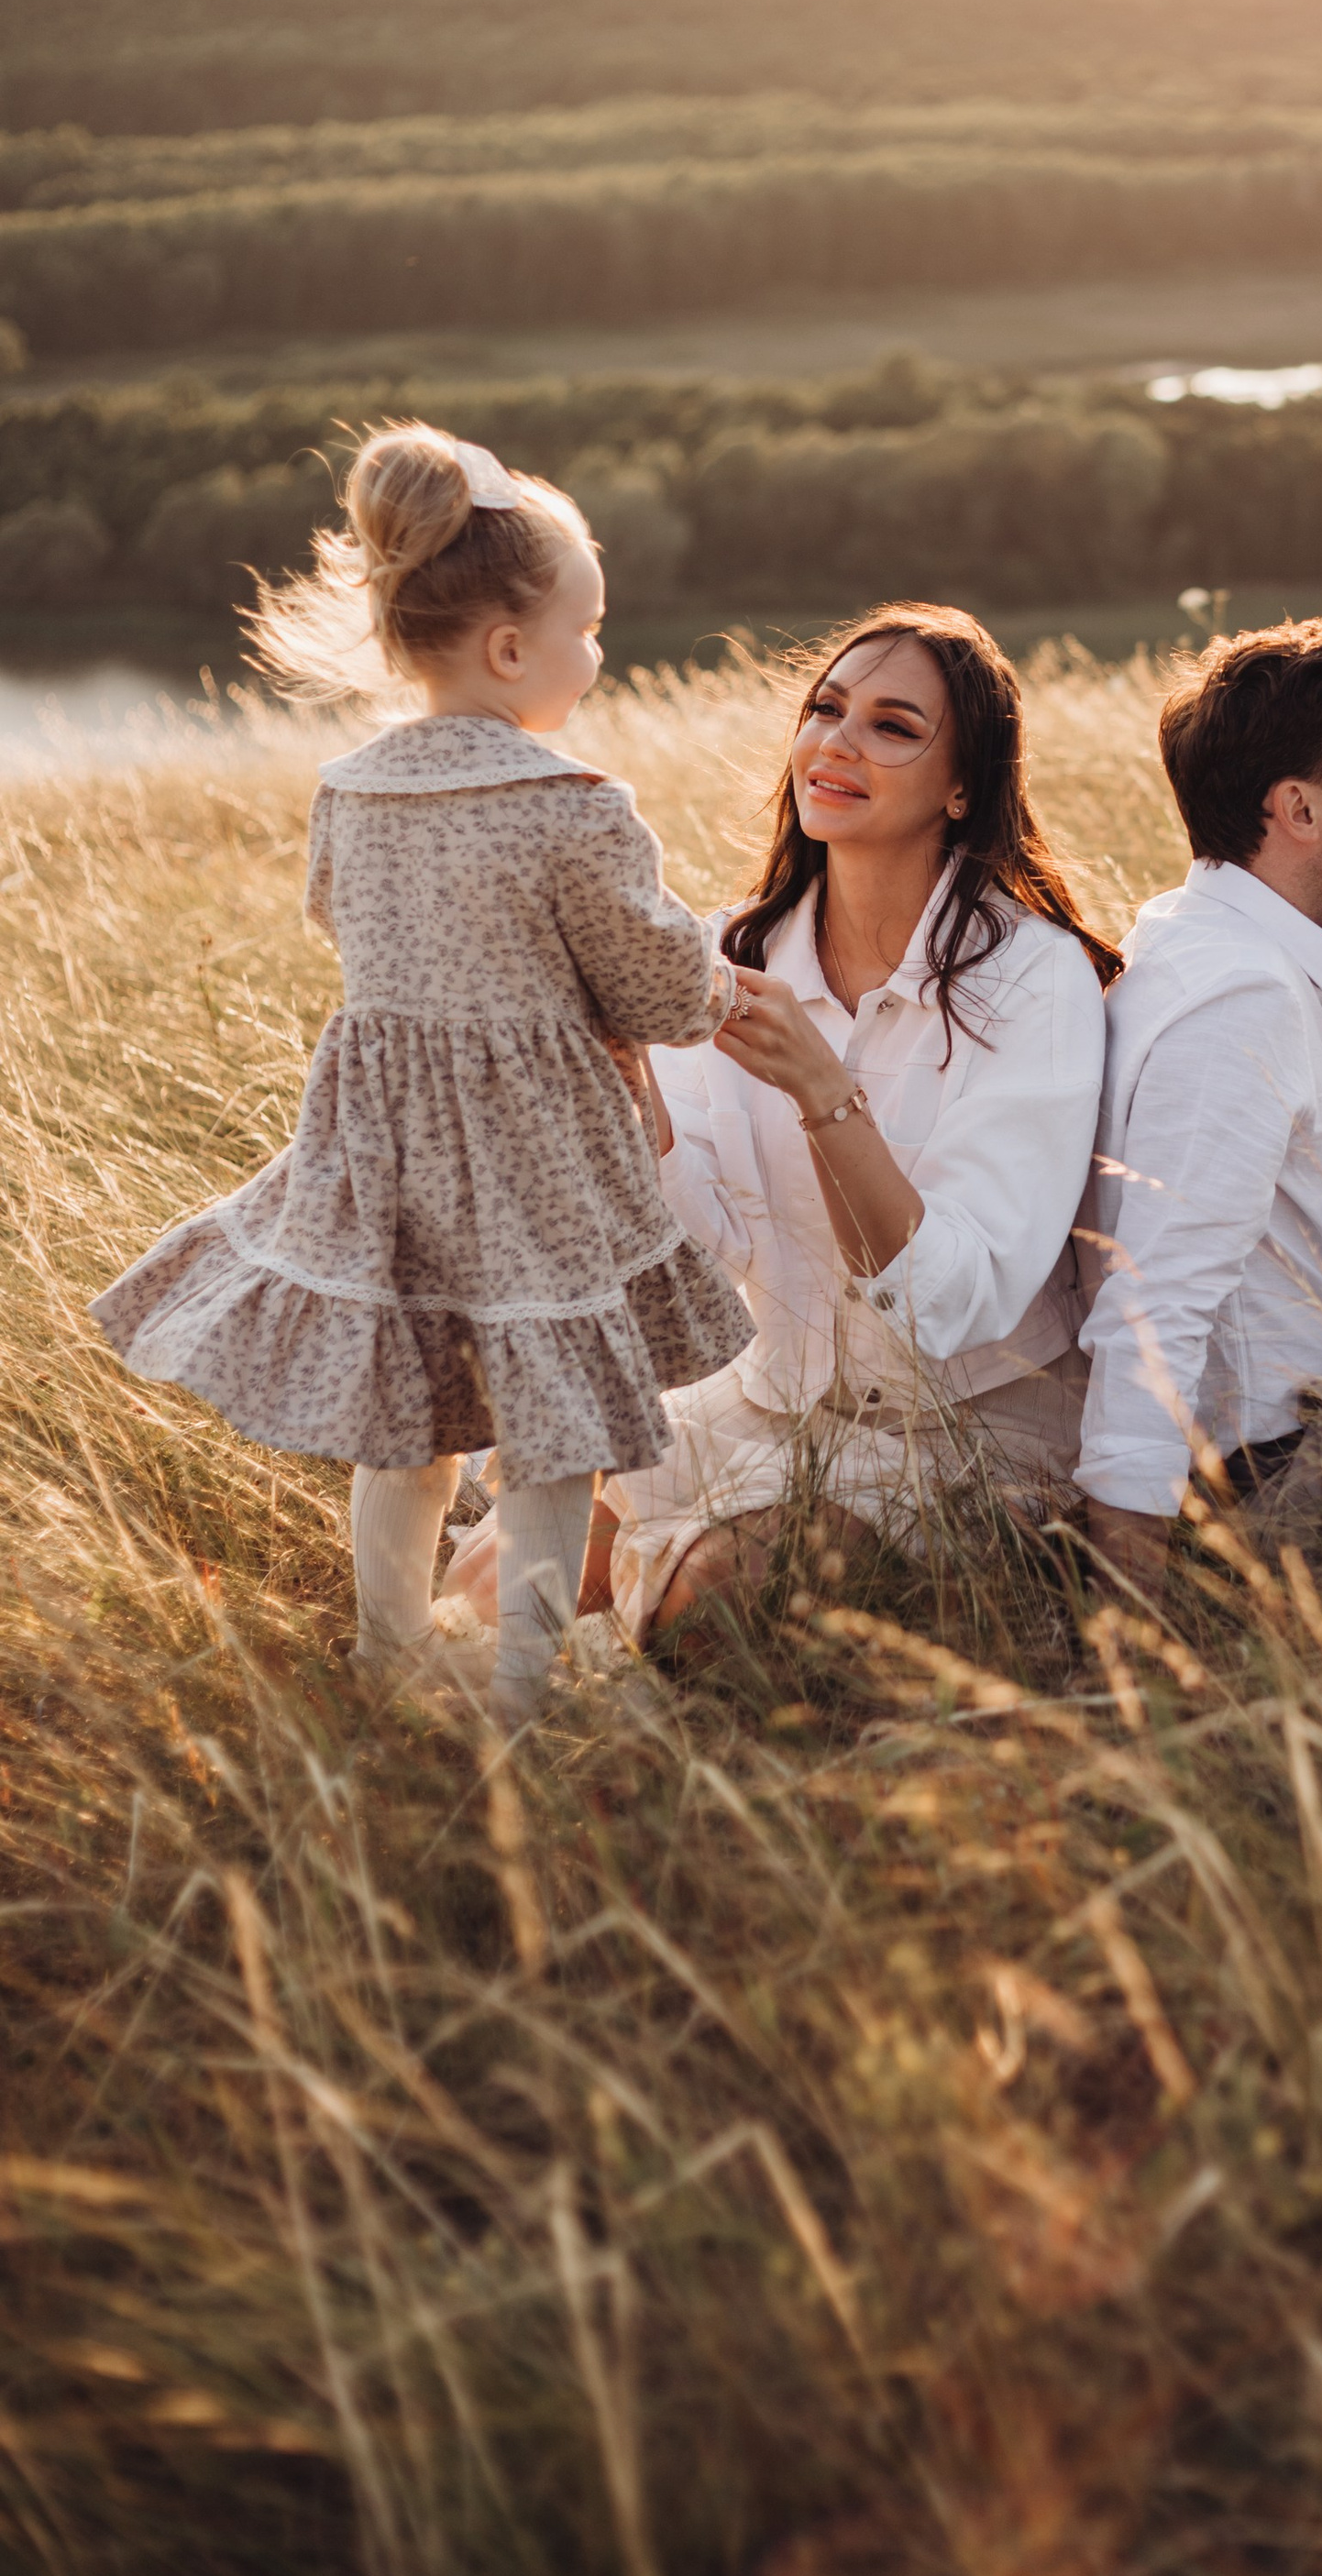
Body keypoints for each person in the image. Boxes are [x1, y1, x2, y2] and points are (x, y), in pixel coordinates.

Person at [88, 423, 752, 1727]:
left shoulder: (350, 790)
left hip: (385, 1154)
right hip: (536, 1162)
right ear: (513, 652)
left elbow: (342, 924)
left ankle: (388, 1650)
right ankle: (528, 1679)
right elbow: (662, 988)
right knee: (553, 1426)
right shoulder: (573, 803)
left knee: (416, 1415)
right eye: (589, 628)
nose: (597, 654)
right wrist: (728, 986)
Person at [454, 603, 1118, 1645]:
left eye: (892, 726)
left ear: (962, 786)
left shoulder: (1031, 979)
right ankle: (614, 1636)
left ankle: (686, 1636)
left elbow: (948, 1303)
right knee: (498, 1579)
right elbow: (704, 1243)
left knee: (709, 1598)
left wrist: (826, 1096)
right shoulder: (730, 950)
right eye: (825, 709)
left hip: (968, 1427)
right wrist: (632, 1088)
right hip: (772, 1401)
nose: (835, 743)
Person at [1075, 619, 1322, 1595]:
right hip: (1293, 1470)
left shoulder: (1201, 935)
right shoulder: (1240, 1000)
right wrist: (1125, 1609)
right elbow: (1156, 1300)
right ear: (1299, 810)